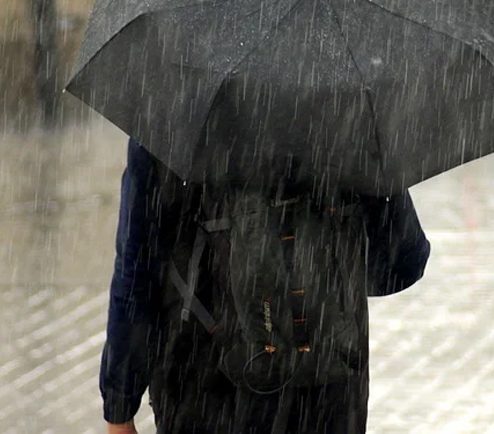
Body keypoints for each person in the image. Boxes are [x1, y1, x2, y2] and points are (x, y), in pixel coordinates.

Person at [101, 139, 431, 433]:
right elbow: (404, 262)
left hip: (203, 383)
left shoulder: (174, 112)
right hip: (327, 381)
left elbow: (137, 271)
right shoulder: (349, 109)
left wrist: (120, 402)